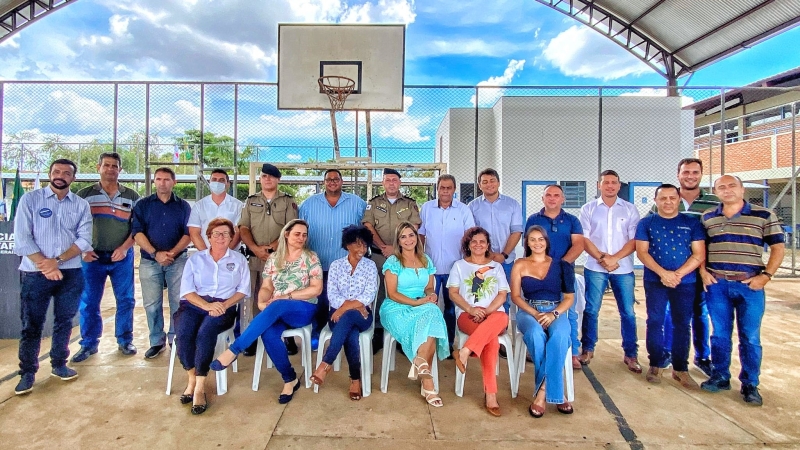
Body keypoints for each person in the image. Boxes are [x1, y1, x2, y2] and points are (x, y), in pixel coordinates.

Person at [212, 219, 323, 404]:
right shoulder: (273, 259)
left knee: (278, 304)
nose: (301, 238)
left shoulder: (310, 257)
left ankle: (234, 349)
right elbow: (266, 286)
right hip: (277, 308)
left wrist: (286, 297)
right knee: (269, 334)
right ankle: (290, 379)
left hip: (303, 308)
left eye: (304, 235)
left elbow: (316, 289)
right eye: (297, 234)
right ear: (286, 234)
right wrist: (262, 300)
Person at [698, 175, 784, 406]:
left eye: (731, 185)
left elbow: (777, 248)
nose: (727, 190)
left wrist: (765, 276)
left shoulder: (764, 215)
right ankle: (720, 376)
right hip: (718, 285)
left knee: (750, 336)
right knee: (720, 334)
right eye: (721, 187)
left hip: (750, 286)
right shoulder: (708, 218)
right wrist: (704, 273)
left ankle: (750, 383)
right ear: (715, 192)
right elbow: (701, 249)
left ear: (742, 188)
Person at [13, 159, 93, 395]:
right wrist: (44, 265)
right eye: (57, 171)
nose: (61, 176)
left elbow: (84, 239)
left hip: (70, 272)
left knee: (65, 321)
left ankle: (59, 364)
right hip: (34, 273)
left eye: (67, 173)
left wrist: (56, 261)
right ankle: (27, 372)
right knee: (32, 325)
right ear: (50, 174)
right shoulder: (30, 200)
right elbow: (23, 239)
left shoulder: (80, 205)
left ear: (73, 178)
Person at [175, 218, 250, 415]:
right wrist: (207, 305)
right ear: (208, 237)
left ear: (232, 238)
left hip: (224, 306)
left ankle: (199, 387)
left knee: (205, 333)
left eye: (226, 234)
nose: (221, 237)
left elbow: (243, 290)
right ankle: (191, 377)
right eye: (216, 234)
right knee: (183, 333)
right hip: (195, 304)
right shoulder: (195, 259)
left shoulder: (239, 260)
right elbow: (187, 291)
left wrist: (222, 305)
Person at [635, 184, 706, 387]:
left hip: (686, 282)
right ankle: (655, 364)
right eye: (663, 198)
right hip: (655, 281)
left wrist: (678, 274)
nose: (668, 202)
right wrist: (663, 274)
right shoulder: (646, 222)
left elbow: (698, 253)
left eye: (672, 198)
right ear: (656, 201)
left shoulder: (691, 222)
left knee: (682, 325)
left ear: (678, 200)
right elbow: (642, 252)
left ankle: (680, 368)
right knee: (655, 321)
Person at [72, 152, 140, 362]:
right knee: (90, 301)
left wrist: (125, 247)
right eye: (107, 165)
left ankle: (124, 340)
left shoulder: (131, 196)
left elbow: (137, 228)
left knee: (126, 300)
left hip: (121, 257)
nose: (110, 169)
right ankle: (89, 343)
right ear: (98, 167)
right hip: (91, 258)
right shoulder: (84, 194)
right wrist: (83, 249)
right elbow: (72, 225)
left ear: (120, 169)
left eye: (115, 166)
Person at [654, 158, 720, 376]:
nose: (690, 176)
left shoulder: (714, 202)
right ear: (678, 174)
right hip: (670, 271)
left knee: (700, 313)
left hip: (703, 269)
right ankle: (668, 353)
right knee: (669, 314)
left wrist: (702, 267)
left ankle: (702, 356)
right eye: (686, 172)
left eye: (695, 172)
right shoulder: (669, 199)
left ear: (701, 174)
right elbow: (651, 228)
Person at [380, 221, 449, 407]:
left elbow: (428, 287)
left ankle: (421, 366)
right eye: (403, 236)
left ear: (417, 237)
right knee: (431, 319)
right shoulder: (393, 262)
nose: (408, 239)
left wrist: (431, 295)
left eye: (411, 235)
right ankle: (428, 383)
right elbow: (392, 293)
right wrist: (416, 302)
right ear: (398, 241)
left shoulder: (426, 259)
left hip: (421, 305)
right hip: (396, 307)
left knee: (433, 312)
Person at [578, 170, 641, 372]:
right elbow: (584, 239)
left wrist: (615, 259)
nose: (610, 186)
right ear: (599, 185)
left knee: (628, 312)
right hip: (595, 267)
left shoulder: (630, 210)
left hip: (623, 269)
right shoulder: (588, 209)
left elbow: (634, 240)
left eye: (614, 182)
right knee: (591, 309)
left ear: (619, 185)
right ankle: (588, 348)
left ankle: (631, 354)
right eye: (606, 182)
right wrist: (602, 259)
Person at [511, 225, 575, 418]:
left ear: (546, 242)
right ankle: (557, 392)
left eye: (541, 239)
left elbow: (569, 298)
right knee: (535, 334)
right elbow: (515, 296)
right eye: (532, 239)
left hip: (555, 310)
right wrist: (535, 313)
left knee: (561, 336)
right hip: (529, 310)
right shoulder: (520, 264)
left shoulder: (561, 265)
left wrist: (553, 314)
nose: (537, 243)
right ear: (527, 243)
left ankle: (543, 392)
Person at [299, 169, 366, 348]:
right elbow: (299, 232)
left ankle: (342, 335)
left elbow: (365, 231)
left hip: (346, 265)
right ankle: (316, 335)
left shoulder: (357, 203)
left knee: (344, 301)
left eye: (336, 179)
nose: (332, 182)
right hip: (316, 264)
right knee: (318, 302)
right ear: (324, 182)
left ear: (342, 181)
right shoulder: (308, 204)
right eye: (329, 179)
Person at [310, 225, 378, 401]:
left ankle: (325, 364)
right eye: (357, 244)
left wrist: (343, 308)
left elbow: (368, 295)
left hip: (360, 316)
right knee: (351, 333)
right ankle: (355, 379)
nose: (361, 249)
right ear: (347, 245)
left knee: (347, 317)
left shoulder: (370, 266)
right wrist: (352, 305)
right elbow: (331, 294)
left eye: (364, 245)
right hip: (339, 316)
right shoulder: (336, 266)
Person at [448, 227, 510, 416]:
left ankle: (465, 351)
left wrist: (486, 311)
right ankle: (490, 394)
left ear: (488, 245)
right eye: (474, 241)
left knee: (502, 317)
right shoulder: (459, 265)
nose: (478, 245)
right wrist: (471, 309)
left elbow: (502, 294)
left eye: (482, 241)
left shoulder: (496, 267)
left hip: (493, 315)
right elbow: (453, 293)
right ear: (468, 244)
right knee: (490, 339)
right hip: (467, 316)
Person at [132, 167, 192, 359]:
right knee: (152, 304)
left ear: (174, 182)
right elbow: (137, 232)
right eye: (158, 179)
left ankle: (176, 340)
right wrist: (155, 253)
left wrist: (172, 253)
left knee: (178, 302)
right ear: (154, 182)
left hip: (177, 261)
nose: (162, 183)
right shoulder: (143, 205)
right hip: (150, 261)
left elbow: (188, 233)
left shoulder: (183, 206)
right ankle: (156, 341)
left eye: (167, 179)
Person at [239, 163, 298, 356]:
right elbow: (244, 228)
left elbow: (290, 229)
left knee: (283, 296)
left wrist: (272, 247)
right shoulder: (251, 201)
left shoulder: (288, 201)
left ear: (278, 179)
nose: (267, 179)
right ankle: (255, 336)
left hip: (280, 259)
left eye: (271, 177)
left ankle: (287, 337)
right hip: (256, 259)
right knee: (258, 298)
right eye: (264, 176)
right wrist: (255, 249)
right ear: (260, 179)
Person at [525, 184, 585, 369]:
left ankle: (573, 352)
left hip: (563, 272)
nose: (552, 198)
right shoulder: (533, 219)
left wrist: (561, 265)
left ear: (562, 199)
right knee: (534, 308)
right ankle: (534, 348)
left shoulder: (572, 220)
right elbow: (528, 246)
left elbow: (578, 245)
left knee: (569, 312)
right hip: (537, 273)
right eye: (548, 195)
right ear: (543, 198)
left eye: (556, 195)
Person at [362, 168, 420, 351]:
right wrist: (383, 247)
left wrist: (396, 249)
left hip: (403, 256)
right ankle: (378, 330)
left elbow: (415, 226)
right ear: (383, 183)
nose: (391, 183)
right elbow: (368, 225)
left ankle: (402, 332)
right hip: (380, 255)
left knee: (403, 291)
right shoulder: (373, 203)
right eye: (388, 180)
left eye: (395, 180)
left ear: (400, 182)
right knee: (379, 292)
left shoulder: (410, 204)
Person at [419, 174, 475, 352]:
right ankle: (428, 345)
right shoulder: (427, 208)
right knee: (429, 306)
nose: (445, 191)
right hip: (431, 267)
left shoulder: (463, 210)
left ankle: (449, 345)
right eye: (442, 187)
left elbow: (470, 236)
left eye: (448, 188)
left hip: (455, 268)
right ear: (437, 188)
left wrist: (466, 262)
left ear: (454, 189)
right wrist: (420, 257)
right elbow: (421, 234)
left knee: (451, 308)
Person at [468, 168, 523, 314]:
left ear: (498, 182)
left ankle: (501, 331)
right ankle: (484, 331)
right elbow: (472, 235)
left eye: (492, 180)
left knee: (504, 298)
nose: (489, 184)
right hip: (481, 262)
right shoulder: (472, 207)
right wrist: (490, 255)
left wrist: (503, 255)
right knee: (482, 296)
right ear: (479, 185)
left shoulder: (512, 204)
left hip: (506, 261)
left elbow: (516, 231)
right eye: (484, 182)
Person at [188, 169, 243, 251]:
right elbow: (194, 232)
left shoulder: (238, 205)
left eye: (221, 180)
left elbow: (239, 232)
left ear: (227, 184)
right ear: (209, 182)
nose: (217, 183)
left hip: (232, 255)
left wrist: (226, 253)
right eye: (214, 180)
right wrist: (207, 255)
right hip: (205, 256)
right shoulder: (199, 206)